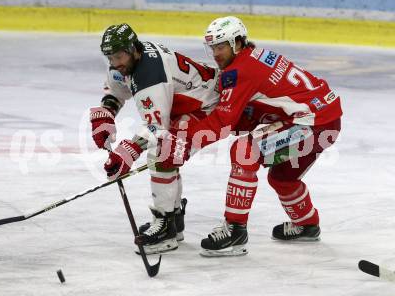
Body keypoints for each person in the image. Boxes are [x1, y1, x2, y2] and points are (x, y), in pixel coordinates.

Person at [158, 16, 342, 257]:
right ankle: (307, 225)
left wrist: (185, 139)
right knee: (283, 179)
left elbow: (223, 123)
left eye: (221, 47)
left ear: (237, 42)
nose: (215, 54)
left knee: (245, 151)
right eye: (212, 47)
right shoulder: (254, 56)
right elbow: (249, 114)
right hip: (325, 120)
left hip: (311, 124)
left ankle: (235, 230)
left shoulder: (239, 71)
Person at [90, 23, 220, 254]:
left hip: (208, 106)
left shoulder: (150, 74)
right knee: (166, 153)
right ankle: (174, 219)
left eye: (119, 56)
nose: (115, 62)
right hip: (181, 106)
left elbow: (156, 127)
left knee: (162, 153)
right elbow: (117, 91)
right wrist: (106, 114)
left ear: (133, 49)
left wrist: (129, 149)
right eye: (109, 57)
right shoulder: (126, 63)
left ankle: (166, 227)